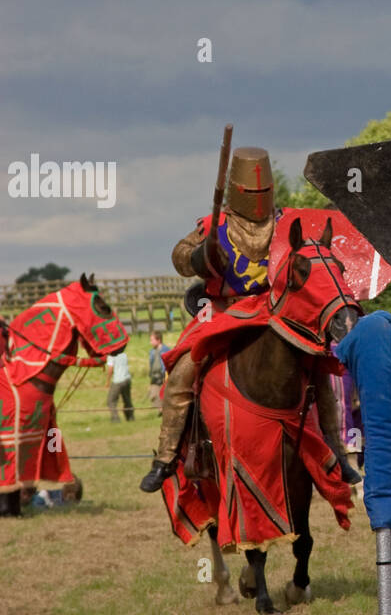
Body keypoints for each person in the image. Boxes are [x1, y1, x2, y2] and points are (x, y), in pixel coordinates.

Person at [139, 147, 348, 493]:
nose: (257, 199)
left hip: (274, 310)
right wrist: (200, 255)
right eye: (251, 192)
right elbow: (178, 257)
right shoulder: (214, 226)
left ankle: (336, 452)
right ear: (237, 190)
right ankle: (166, 457)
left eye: (262, 192)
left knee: (319, 367)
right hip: (224, 311)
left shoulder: (285, 224)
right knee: (181, 373)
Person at [105, 346, 134, 421]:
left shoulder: (111, 356)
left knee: (111, 400)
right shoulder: (123, 354)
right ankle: (130, 417)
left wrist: (108, 380)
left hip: (118, 380)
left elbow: (110, 369)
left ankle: (115, 418)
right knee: (127, 400)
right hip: (127, 379)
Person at [147, 330, 170, 410]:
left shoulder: (166, 350)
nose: (151, 342)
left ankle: (165, 411)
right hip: (155, 376)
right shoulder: (152, 352)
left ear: (159, 340)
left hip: (164, 376)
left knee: (165, 395)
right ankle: (161, 410)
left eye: (152, 340)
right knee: (153, 395)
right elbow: (151, 364)